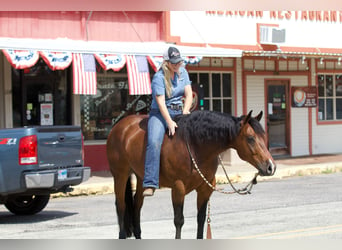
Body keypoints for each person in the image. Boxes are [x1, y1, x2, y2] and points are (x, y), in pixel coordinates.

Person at [143, 46, 193, 197]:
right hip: (160, 113)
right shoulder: (158, 78)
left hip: (180, 111)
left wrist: (185, 111)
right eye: (174, 62)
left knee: (196, 136)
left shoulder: (183, 72)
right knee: (154, 141)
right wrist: (169, 122)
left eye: (179, 61)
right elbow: (160, 102)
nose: (177, 64)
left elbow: (189, 94)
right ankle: (150, 182)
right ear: (166, 62)